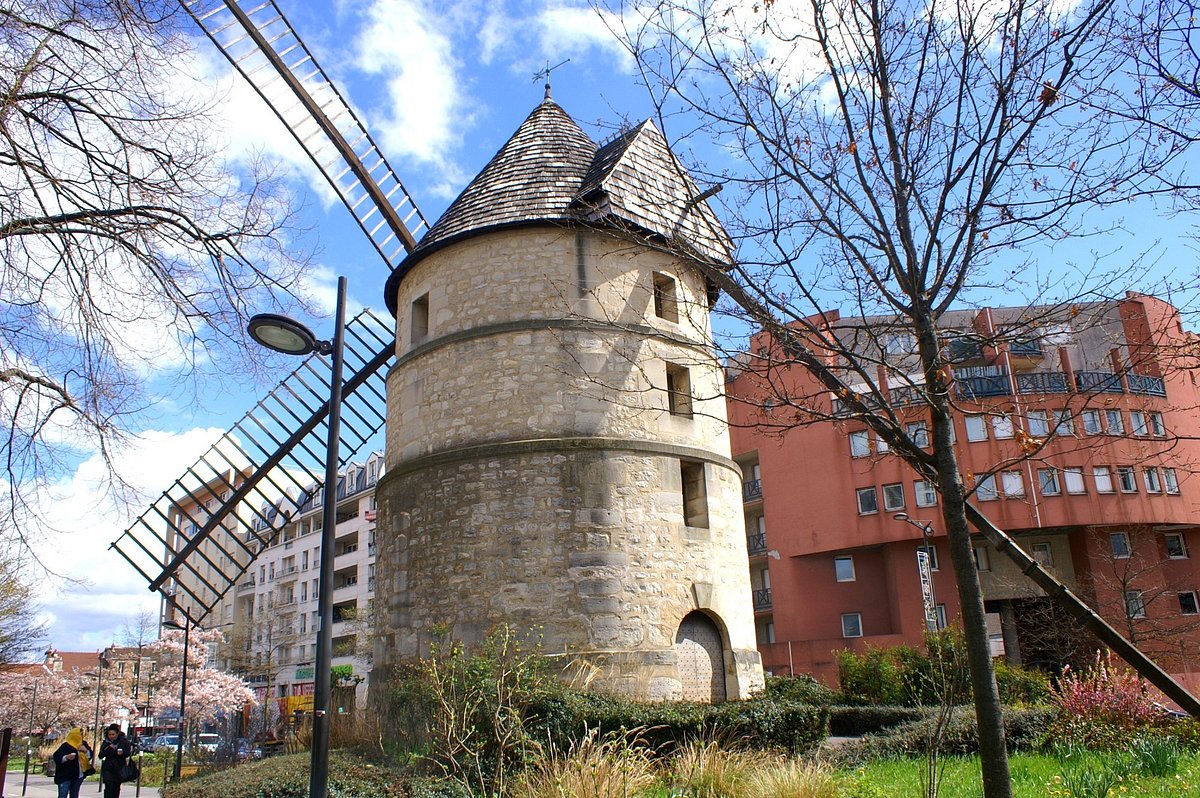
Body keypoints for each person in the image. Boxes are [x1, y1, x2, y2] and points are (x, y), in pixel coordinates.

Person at [52, 728, 93, 798]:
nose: (81, 736)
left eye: (82, 734)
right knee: (63, 795)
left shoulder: (83, 744)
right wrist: (66, 757)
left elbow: (90, 755)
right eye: (79, 734)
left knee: (74, 795)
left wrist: (86, 751)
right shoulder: (66, 746)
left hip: (78, 775)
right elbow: (56, 757)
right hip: (65, 775)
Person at [99, 723, 134, 798]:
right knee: (108, 787)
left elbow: (128, 753)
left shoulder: (123, 742)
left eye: (113, 734)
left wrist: (122, 753)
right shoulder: (106, 742)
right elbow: (100, 755)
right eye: (109, 734)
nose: (111, 736)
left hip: (119, 768)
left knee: (116, 788)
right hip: (108, 768)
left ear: (117, 734)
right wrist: (109, 749)